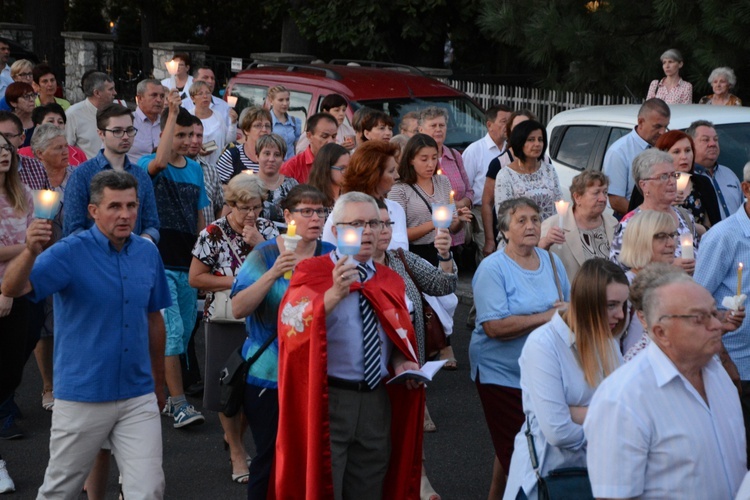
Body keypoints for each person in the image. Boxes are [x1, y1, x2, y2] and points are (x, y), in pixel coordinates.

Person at [1, 169, 171, 498]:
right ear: (93, 211)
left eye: (131, 206)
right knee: (60, 490)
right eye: (115, 206)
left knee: (148, 489)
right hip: (82, 394)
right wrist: (30, 251)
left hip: (137, 395)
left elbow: (154, 319)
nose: (125, 215)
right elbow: (12, 286)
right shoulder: (68, 252)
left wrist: (158, 381)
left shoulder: (147, 253)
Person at [271, 191, 424, 499]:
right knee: (323, 486)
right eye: (357, 223)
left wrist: (400, 362)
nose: (367, 231)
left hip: (376, 401)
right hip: (328, 400)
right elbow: (290, 326)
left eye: (374, 223)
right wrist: (332, 295)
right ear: (337, 230)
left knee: (370, 487)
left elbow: (395, 337)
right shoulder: (311, 272)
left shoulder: (389, 279)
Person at [584, 273, 746, 499]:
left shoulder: (717, 374)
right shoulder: (623, 397)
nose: (717, 324)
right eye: (699, 318)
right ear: (661, 332)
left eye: (713, 313)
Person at [231, 185, 334, 498]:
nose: (315, 218)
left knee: (312, 455)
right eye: (306, 211)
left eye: (320, 211)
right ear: (287, 216)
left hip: (316, 372)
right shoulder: (265, 254)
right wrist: (272, 273)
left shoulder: (330, 253)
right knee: (272, 455)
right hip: (268, 374)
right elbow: (238, 308)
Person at [470, 197, 570, 497]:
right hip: (501, 373)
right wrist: (548, 316)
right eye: (521, 220)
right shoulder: (493, 268)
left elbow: (566, 309)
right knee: (522, 450)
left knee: (521, 442)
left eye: (536, 220)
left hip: (542, 370)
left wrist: (563, 312)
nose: (531, 226)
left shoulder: (552, 261)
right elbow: (494, 327)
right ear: (504, 230)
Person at [504, 258, 628, 500]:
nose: (621, 314)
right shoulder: (543, 345)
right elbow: (558, 432)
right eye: (612, 305)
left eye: (623, 304)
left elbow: (623, 405)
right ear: (585, 303)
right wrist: (610, 429)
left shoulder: (608, 339)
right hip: (549, 479)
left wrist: (576, 413)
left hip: (594, 476)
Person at [189, 174, 278, 485]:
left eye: (256, 207)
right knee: (228, 389)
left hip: (261, 319)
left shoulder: (267, 230)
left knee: (251, 388)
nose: (251, 214)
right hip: (225, 319)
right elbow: (196, 279)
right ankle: (238, 452)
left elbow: (283, 268)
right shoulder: (212, 233)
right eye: (244, 208)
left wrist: (262, 245)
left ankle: (235, 437)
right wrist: (239, 282)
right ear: (230, 205)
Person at [372, 201, 457, 500]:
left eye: (388, 223)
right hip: (371, 367)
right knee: (374, 436)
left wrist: (444, 254)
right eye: (377, 223)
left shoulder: (400, 258)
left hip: (409, 362)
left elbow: (443, 284)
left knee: (408, 427)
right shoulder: (346, 267)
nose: (385, 230)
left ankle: (418, 477)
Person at [139, 95, 209, 429]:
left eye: (193, 135)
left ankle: (159, 394)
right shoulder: (148, 165)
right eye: (180, 135)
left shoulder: (196, 170)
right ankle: (178, 404)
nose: (188, 141)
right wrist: (171, 114)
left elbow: (198, 216)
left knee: (181, 333)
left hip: (186, 262)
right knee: (174, 332)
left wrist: (202, 257)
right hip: (158, 261)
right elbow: (161, 163)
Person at [695, 162, 750, 463]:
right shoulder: (724, 237)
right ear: (746, 189)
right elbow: (696, 300)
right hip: (735, 364)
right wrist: (722, 316)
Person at [64, 103, 160, 242]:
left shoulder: (141, 175)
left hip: (131, 255)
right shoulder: (82, 175)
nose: (126, 136)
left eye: (130, 130)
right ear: (101, 134)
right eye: (117, 131)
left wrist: (145, 240)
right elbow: (72, 228)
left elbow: (152, 224)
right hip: (93, 255)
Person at [609, 149, 698, 274]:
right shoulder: (630, 224)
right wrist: (669, 269)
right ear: (644, 185)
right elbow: (618, 275)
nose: (672, 182)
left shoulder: (685, 216)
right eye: (664, 176)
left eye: (674, 175)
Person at [388, 133, 472, 266]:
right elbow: (398, 234)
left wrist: (459, 220)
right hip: (414, 255)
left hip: (442, 250)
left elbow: (452, 228)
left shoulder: (442, 181)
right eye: (424, 159)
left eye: (434, 158)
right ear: (411, 159)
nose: (430, 164)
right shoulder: (399, 189)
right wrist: (436, 222)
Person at [0, 132, 33, 440]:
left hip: (24, 287)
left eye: (5, 148)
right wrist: (27, 246)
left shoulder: (23, 193)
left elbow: (40, 238)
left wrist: (30, 247)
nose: (3, 154)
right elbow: (32, 244)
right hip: (0, 290)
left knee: (14, 365)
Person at [322, 140, 408, 251]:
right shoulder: (340, 215)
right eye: (391, 171)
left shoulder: (396, 209)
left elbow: (405, 255)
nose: (397, 176)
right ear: (374, 176)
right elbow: (328, 259)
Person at [627, 130, 720, 228]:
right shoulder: (649, 182)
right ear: (662, 155)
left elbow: (714, 228)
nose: (684, 157)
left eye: (688, 150)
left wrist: (689, 224)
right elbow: (635, 222)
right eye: (676, 152)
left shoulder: (703, 183)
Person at [617, 209, 679, 356]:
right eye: (661, 237)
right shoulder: (623, 286)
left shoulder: (674, 282)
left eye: (672, 235)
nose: (671, 243)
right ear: (641, 241)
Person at [540, 170, 617, 281]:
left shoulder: (613, 224)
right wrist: (546, 242)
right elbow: (534, 259)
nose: (603, 198)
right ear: (577, 197)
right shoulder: (553, 224)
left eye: (605, 192)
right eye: (596, 193)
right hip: (570, 295)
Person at [461, 104, 512, 262]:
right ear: (489, 125)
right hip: (480, 209)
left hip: (507, 209)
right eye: (503, 121)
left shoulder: (510, 150)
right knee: (490, 255)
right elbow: (466, 186)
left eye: (510, 122)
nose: (507, 126)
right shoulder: (474, 151)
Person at [603, 98, 670, 217]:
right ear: (641, 122)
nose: (662, 132)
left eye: (665, 127)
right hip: (633, 222)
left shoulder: (665, 148)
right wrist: (647, 217)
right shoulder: (619, 152)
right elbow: (616, 200)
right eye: (657, 126)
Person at [418, 106, 473, 249]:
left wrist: (459, 205)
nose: (438, 129)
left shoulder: (455, 156)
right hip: (430, 238)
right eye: (433, 125)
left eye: (442, 125)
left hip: (456, 236)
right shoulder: (416, 159)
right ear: (421, 130)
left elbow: (469, 191)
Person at [482, 109, 535, 255]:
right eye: (517, 127)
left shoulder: (546, 163)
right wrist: (490, 240)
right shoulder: (499, 164)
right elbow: (487, 203)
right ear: (510, 131)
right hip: (512, 238)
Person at [494, 120, 563, 223]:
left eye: (540, 139)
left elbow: (559, 204)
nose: (537, 144)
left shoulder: (549, 170)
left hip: (550, 233)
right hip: (520, 235)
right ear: (520, 142)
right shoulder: (505, 175)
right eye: (531, 140)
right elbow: (503, 215)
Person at [687, 119, 743, 220]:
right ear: (691, 144)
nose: (712, 144)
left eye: (716, 139)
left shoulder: (729, 174)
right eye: (706, 140)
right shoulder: (686, 179)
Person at [66, 72, 118, 159]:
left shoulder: (117, 110)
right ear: (97, 93)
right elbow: (67, 149)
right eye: (110, 89)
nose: (115, 93)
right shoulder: (73, 114)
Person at [17, 103, 87, 166]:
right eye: (51, 121)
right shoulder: (23, 154)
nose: (56, 125)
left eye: (60, 122)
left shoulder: (78, 154)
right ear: (38, 126)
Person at [215, 107, 272, 182]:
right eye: (258, 125)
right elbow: (218, 186)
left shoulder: (274, 157)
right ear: (246, 130)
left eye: (267, 126)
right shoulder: (232, 155)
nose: (264, 130)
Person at [279, 112, 338, 184]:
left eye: (334, 136)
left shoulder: (340, 164)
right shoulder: (292, 167)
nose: (330, 141)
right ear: (309, 136)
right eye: (324, 136)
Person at [181, 66, 237, 141]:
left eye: (212, 78)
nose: (210, 81)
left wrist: (233, 123)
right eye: (205, 77)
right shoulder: (184, 106)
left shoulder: (222, 108)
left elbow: (228, 140)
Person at [187, 115, 224, 225]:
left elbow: (219, 208)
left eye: (199, 136)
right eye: (190, 135)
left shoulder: (211, 170)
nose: (195, 141)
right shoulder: (170, 168)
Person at [255, 134, 299, 227]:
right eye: (267, 153)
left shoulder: (292, 185)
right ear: (257, 156)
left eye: (277, 155)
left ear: (283, 158)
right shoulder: (246, 184)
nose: (271, 159)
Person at [0, 112, 47, 190]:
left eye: (7, 136)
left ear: (22, 138)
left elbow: (47, 200)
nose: (2, 140)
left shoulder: (37, 167)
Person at [188, 80, 227, 166]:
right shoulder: (188, 117)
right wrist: (198, 151)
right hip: (195, 165)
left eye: (208, 93)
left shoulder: (218, 116)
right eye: (200, 93)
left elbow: (227, 140)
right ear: (192, 98)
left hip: (218, 165)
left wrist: (233, 124)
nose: (205, 96)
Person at [130, 79, 166, 163]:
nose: (159, 100)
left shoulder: (167, 123)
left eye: (162, 96)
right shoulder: (128, 121)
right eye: (154, 95)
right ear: (140, 98)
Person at [307, 142, 350, 209]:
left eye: (349, 167)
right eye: (342, 168)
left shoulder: (349, 197)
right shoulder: (314, 202)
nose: (348, 172)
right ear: (327, 169)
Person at [267, 85, 301, 160]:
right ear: (271, 101)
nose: (285, 103)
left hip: (291, 166)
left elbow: (297, 147)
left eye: (287, 99)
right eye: (281, 100)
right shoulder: (266, 121)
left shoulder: (295, 122)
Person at [4, 82, 35, 147]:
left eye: (32, 95)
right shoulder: (5, 122)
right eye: (26, 97)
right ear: (13, 103)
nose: (32, 100)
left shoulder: (40, 118)